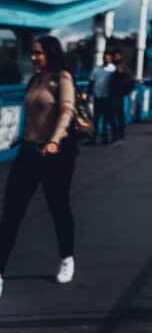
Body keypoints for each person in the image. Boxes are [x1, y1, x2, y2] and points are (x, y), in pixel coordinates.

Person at [0, 36, 77, 296]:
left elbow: (67, 111)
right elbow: (32, 116)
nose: (33, 57)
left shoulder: (62, 78)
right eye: (32, 53)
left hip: (56, 153)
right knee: (11, 212)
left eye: (38, 53)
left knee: (58, 206)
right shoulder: (34, 80)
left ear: (50, 53)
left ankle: (67, 258)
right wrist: (19, 137)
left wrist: (54, 140)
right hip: (29, 150)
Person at [89, 50, 116, 145]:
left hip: (108, 97)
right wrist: (89, 95)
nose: (106, 59)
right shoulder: (96, 69)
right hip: (97, 96)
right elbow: (91, 82)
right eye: (105, 57)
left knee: (106, 119)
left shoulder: (113, 69)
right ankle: (93, 137)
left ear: (111, 59)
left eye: (108, 58)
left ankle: (105, 138)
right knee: (96, 118)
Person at [111, 51, 134, 143]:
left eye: (117, 56)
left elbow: (129, 80)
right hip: (113, 94)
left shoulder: (122, 67)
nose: (115, 58)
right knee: (115, 116)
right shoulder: (115, 67)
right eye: (114, 56)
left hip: (119, 95)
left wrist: (124, 91)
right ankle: (117, 135)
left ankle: (119, 135)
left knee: (118, 115)